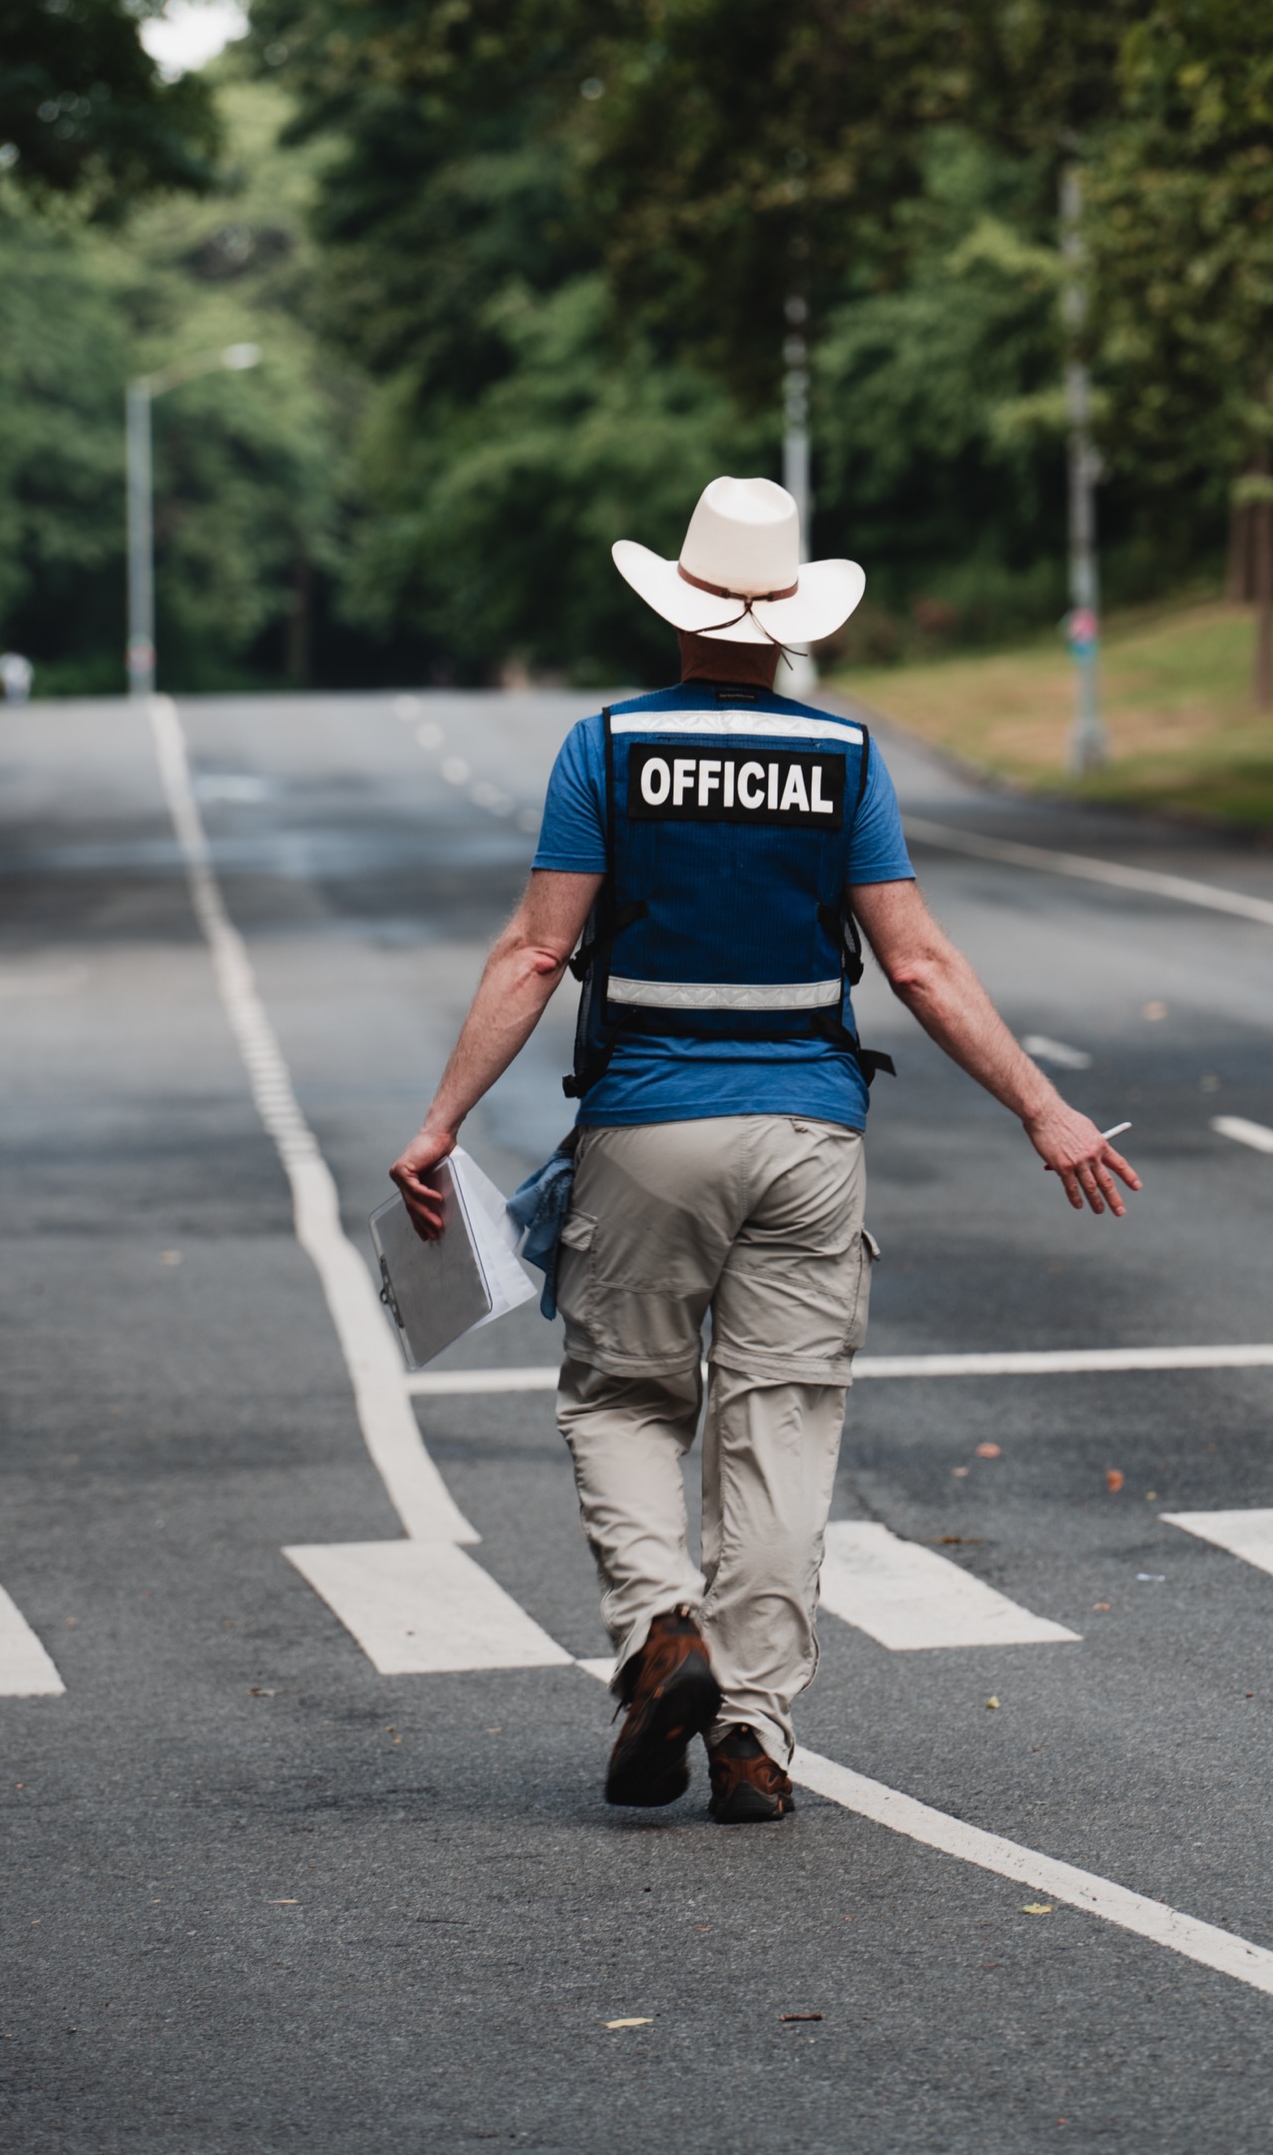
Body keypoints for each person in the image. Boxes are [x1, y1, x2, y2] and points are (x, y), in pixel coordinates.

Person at [390, 477, 1137, 1824]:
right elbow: (915, 961)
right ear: (790, 617)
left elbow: (539, 950)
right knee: (780, 1426)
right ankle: (753, 1732)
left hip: (649, 1131)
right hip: (812, 1140)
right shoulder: (842, 759)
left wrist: (443, 1125)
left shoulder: (606, 750)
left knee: (623, 1396)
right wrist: (1043, 1107)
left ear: (678, 606)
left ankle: (660, 1631)